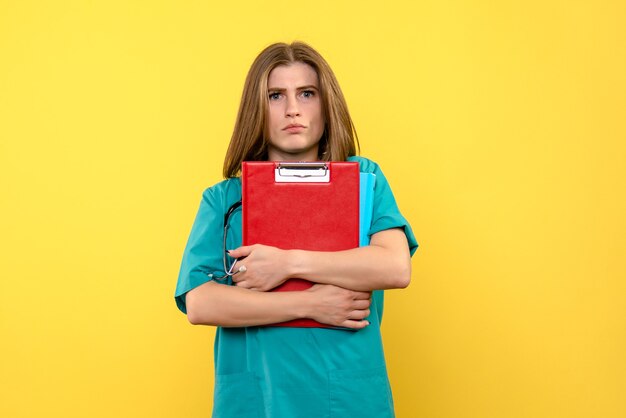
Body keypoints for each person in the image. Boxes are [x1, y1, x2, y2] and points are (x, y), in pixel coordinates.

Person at [175, 41, 418, 418]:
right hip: (258, 400)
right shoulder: (224, 199)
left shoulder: (364, 179)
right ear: (257, 108)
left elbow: (395, 267)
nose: (293, 109)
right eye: (275, 95)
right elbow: (200, 302)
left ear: (326, 104)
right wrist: (308, 304)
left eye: (307, 93)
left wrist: (288, 263)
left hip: (349, 399)